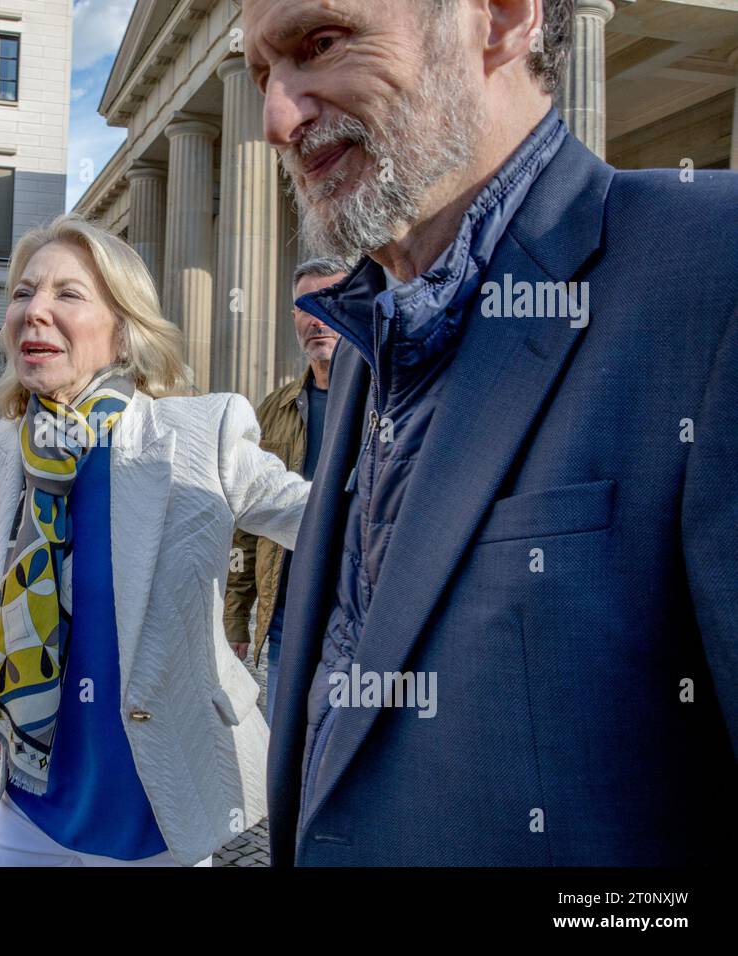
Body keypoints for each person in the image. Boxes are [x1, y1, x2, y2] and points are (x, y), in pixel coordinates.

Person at [241, 0, 738, 865]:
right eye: (261, 76)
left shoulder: (715, 273)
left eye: (321, 43)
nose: (279, 119)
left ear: (502, 18)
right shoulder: (367, 340)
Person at [0, 213, 309, 867]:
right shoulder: (16, 443)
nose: (36, 310)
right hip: (36, 797)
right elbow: (22, 594)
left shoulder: (196, 435)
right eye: (23, 292)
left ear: (123, 330)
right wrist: (0, 702)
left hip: (153, 810)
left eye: (68, 294)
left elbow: (324, 524)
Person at [223, 257, 347, 724]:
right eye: (304, 307)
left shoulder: (388, 399)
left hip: (361, 621)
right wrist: (237, 615)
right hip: (286, 625)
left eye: (329, 302)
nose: (317, 318)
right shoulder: (272, 410)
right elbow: (244, 521)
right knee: (286, 759)